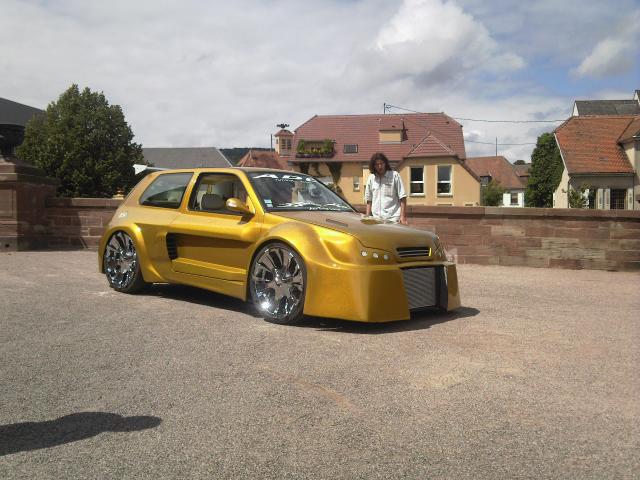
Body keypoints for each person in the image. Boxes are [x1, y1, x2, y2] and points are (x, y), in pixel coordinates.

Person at [364, 152, 407, 224]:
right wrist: (367, 217)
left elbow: (402, 197)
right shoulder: (371, 178)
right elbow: (369, 200)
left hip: (393, 219)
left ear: (385, 163)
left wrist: (402, 217)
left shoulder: (394, 175)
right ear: (373, 166)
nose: (380, 166)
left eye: (381, 163)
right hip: (376, 219)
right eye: (377, 164)